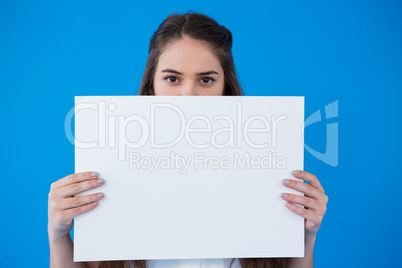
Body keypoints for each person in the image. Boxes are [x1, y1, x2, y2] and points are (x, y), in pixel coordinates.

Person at [48, 12, 328, 268]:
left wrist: (304, 239)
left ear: (224, 87)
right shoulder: (109, 167)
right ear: (152, 85)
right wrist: (59, 236)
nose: (188, 97)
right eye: (172, 79)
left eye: (205, 80)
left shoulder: (263, 170)